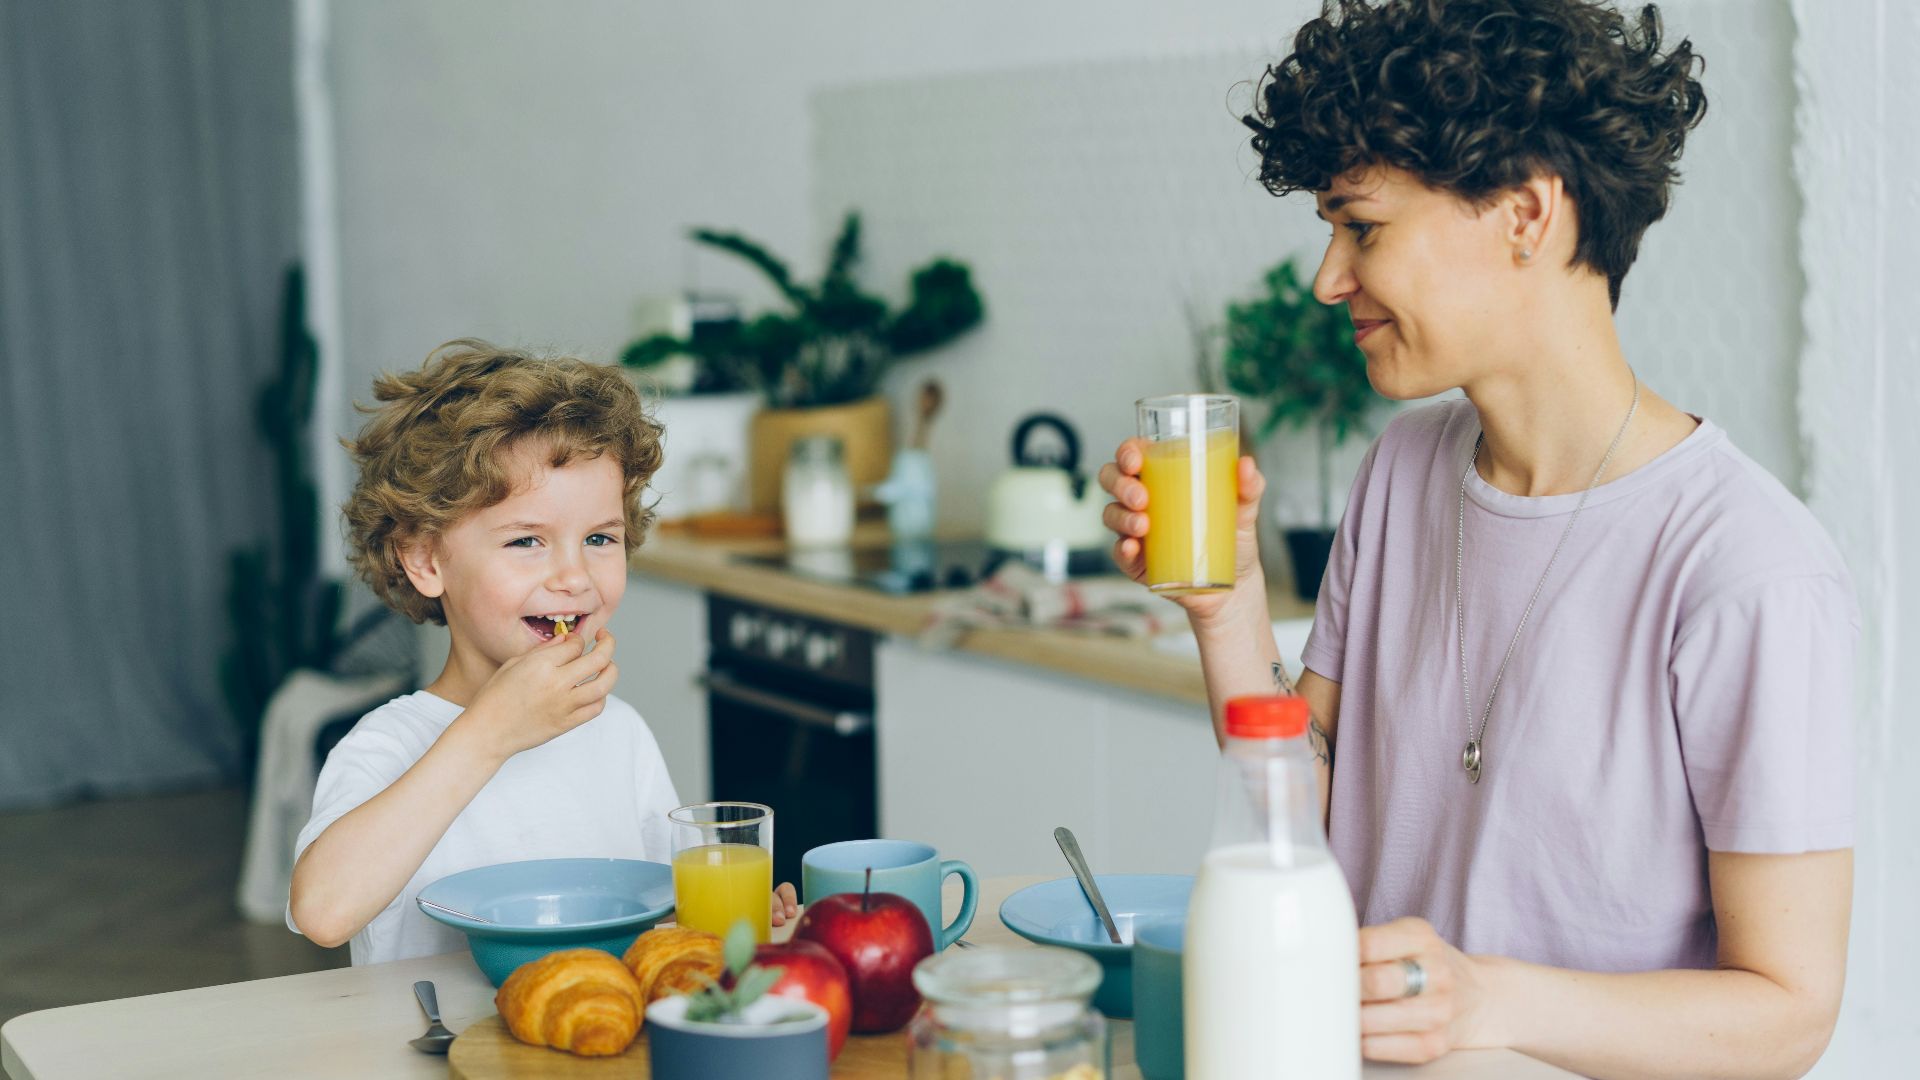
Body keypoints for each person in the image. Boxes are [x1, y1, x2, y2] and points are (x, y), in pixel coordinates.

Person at [1100, 2, 1855, 1075]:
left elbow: (1788, 1014)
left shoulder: (1747, 568)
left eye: (1362, 227)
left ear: (1526, 215)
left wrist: (1486, 1001)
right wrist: (1224, 606)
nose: (1327, 277)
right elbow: (1292, 814)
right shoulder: (1404, 470)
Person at [288, 340, 798, 963]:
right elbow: (323, 912)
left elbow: (674, 920)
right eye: (528, 540)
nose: (574, 576)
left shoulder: (620, 733)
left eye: (599, 538)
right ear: (424, 559)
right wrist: (489, 732)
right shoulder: (387, 744)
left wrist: (740, 920)